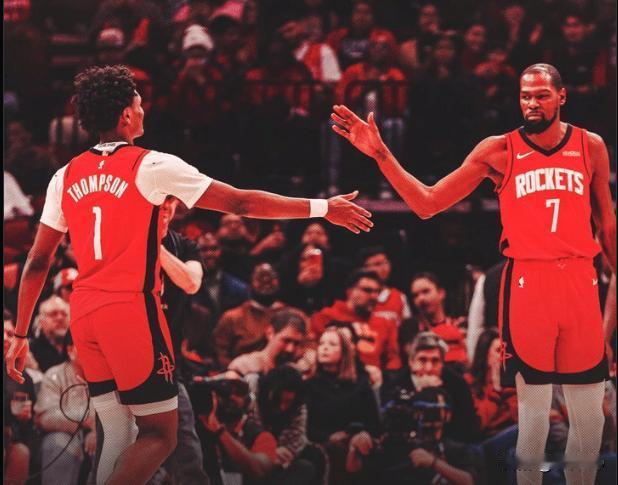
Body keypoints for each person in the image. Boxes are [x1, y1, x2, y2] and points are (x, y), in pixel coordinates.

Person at [5, 64, 372, 485]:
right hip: (130, 308)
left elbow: (37, 262)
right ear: (126, 114)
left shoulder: (64, 175)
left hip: (84, 314)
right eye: (139, 104)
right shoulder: (152, 164)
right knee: (160, 435)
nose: (144, 110)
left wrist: (21, 334)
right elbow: (240, 204)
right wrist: (323, 208)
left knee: (117, 432)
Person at [332, 62, 616, 484]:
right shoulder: (498, 150)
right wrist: (381, 154)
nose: (532, 103)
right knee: (534, 415)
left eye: (541, 95)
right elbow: (427, 203)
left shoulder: (590, 146)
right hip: (529, 283)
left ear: (561, 97)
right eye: (525, 96)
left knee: (589, 415)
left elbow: (607, 224)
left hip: (580, 278)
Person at [383, 332, 480, 444]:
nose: (429, 368)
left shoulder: (457, 385)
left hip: (449, 447)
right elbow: (390, 427)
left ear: (442, 364)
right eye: (422, 360)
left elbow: (468, 429)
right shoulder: (395, 383)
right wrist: (418, 394)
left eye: (435, 361)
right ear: (411, 362)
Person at [213, 263, 305, 369]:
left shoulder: (296, 317)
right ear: (250, 282)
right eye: (260, 277)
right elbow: (219, 353)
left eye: (271, 277)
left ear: (279, 281)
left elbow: (308, 348)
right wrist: (237, 370)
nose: (266, 281)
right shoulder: (232, 317)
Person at [35, 332, 96, 485]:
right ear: (70, 350)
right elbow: (45, 417)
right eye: (86, 346)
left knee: (109, 445)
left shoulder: (106, 374)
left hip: (98, 435)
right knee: (58, 443)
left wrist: (97, 432)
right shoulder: (54, 375)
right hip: (63, 436)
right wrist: (87, 421)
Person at [311, 269, 401, 371]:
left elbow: (393, 360)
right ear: (350, 292)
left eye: (377, 292)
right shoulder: (325, 317)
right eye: (367, 290)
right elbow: (311, 350)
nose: (374, 296)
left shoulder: (385, 323)